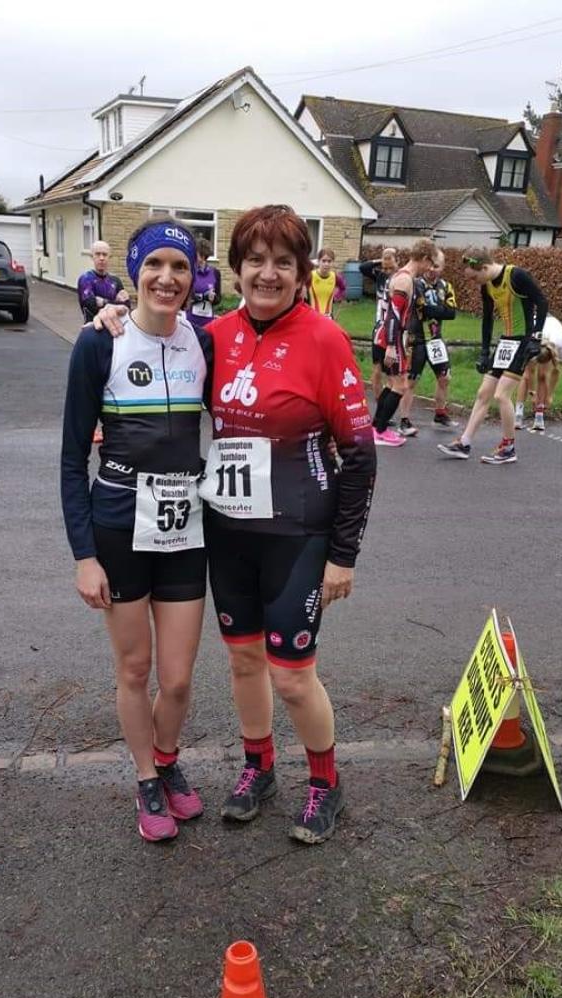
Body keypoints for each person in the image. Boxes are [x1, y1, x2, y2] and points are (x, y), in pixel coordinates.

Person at [95, 206, 376, 845]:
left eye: (283, 262)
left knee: (292, 673)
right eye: (256, 260)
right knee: (245, 663)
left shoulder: (324, 338)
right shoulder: (212, 335)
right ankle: (259, 769)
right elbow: (150, 330)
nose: (268, 274)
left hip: (300, 532)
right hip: (227, 530)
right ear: (237, 269)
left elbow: (360, 453)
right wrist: (110, 316)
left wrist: (344, 554)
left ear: (302, 272)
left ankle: (326, 783)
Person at [61, 218, 212, 844]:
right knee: (135, 669)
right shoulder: (99, 344)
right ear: (134, 272)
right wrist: (83, 555)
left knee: (176, 677)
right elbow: (72, 458)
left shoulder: (206, 339)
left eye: (179, 267)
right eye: (155, 266)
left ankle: (169, 759)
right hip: (120, 523)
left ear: (193, 277)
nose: (167, 279)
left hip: (184, 524)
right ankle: (146, 777)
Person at [437, 248, 548, 465]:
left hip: (522, 341)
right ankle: (465, 443)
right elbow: (487, 320)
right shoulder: (487, 285)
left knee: (501, 395)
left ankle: (508, 447)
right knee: (483, 393)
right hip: (506, 342)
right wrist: (485, 351)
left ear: (485, 267)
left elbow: (542, 302)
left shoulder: (516, 275)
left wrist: (536, 337)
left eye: (474, 277)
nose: (474, 282)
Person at [372, 239, 439, 447]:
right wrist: (392, 345)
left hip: (390, 336)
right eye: (431, 263)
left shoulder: (403, 276)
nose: (431, 269)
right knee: (400, 386)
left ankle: (375, 427)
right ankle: (381, 430)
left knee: (393, 383)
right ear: (425, 258)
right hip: (391, 337)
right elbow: (394, 314)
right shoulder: (404, 280)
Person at [397, 248, 459, 437]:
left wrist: (436, 310)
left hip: (435, 339)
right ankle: (404, 420)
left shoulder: (445, 286)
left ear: (443, 267)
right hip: (418, 339)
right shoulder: (416, 284)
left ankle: (440, 413)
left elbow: (452, 312)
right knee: (411, 381)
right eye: (431, 265)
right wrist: (438, 310)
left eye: (437, 266)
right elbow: (422, 309)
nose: (432, 269)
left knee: (445, 377)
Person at [515, 313, 562, 432]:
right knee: (525, 375)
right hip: (533, 328)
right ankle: (518, 416)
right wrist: (532, 394)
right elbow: (530, 373)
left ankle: (539, 418)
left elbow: (555, 372)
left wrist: (550, 395)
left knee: (543, 375)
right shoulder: (531, 342)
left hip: (551, 331)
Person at [359, 247, 397, 403]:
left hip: (394, 328)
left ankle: (386, 408)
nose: (387, 270)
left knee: (392, 374)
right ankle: (379, 401)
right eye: (385, 267)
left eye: (390, 267)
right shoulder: (380, 276)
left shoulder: (402, 278)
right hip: (379, 328)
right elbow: (363, 268)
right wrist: (381, 260)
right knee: (377, 370)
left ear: (397, 262)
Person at [76, 240, 130, 324]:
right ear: (92, 256)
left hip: (115, 328)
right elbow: (90, 305)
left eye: (105, 254)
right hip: (93, 328)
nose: (101, 258)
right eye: (98, 254)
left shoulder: (115, 281)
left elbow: (126, 306)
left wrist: (103, 302)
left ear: (109, 257)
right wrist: (115, 303)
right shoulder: (85, 279)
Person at [186, 237, 222, 328]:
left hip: (208, 322)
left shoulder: (215, 273)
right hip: (191, 320)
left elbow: (218, 299)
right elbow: (187, 297)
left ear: (203, 256)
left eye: (195, 254)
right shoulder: (190, 272)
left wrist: (213, 298)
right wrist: (203, 297)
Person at [307, 248, 346, 318]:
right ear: (318, 261)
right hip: (311, 317)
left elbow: (343, 288)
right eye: (324, 261)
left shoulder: (336, 277)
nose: (326, 264)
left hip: (328, 317)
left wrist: (336, 297)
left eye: (329, 261)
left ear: (333, 262)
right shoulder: (310, 276)